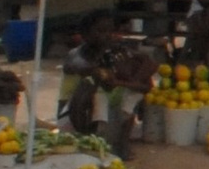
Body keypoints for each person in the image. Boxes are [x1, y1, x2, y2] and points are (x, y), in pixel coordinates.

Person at [61, 11, 155, 157]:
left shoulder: (115, 51)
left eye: (110, 31)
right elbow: (76, 65)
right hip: (76, 113)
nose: (107, 35)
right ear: (85, 35)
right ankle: (96, 140)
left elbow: (148, 64)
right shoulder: (77, 54)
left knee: (132, 94)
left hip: (109, 108)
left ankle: (122, 142)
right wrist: (101, 70)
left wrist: (130, 78)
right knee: (94, 85)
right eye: (100, 31)